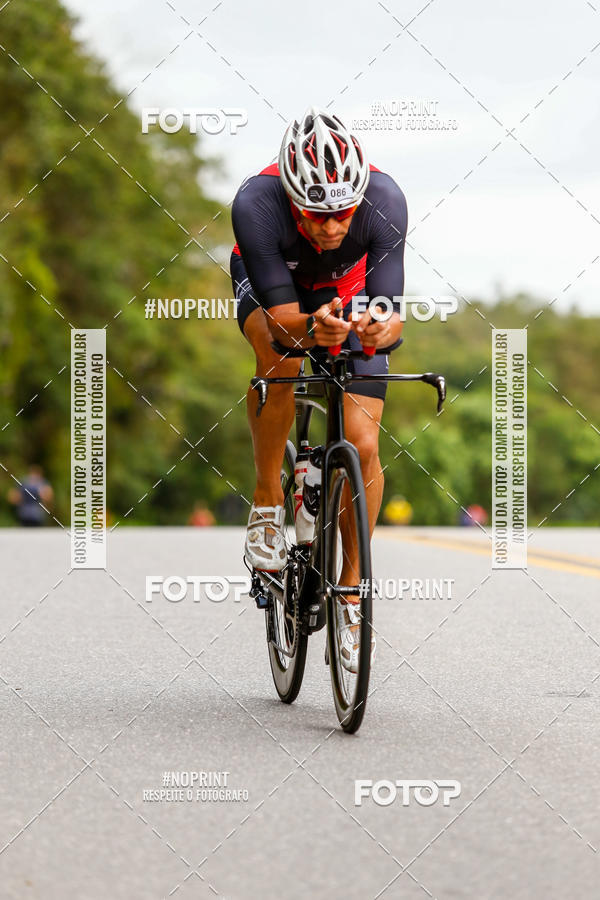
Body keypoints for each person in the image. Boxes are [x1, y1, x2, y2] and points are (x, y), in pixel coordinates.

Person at [231, 106, 407, 671]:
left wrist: (381, 325)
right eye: (314, 215)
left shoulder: (387, 201)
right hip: (277, 290)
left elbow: (391, 315)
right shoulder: (255, 205)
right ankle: (266, 500)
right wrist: (309, 327)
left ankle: (351, 596)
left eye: (342, 215)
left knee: (365, 444)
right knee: (274, 352)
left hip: (349, 292)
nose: (330, 228)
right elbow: (284, 319)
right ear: (289, 196)